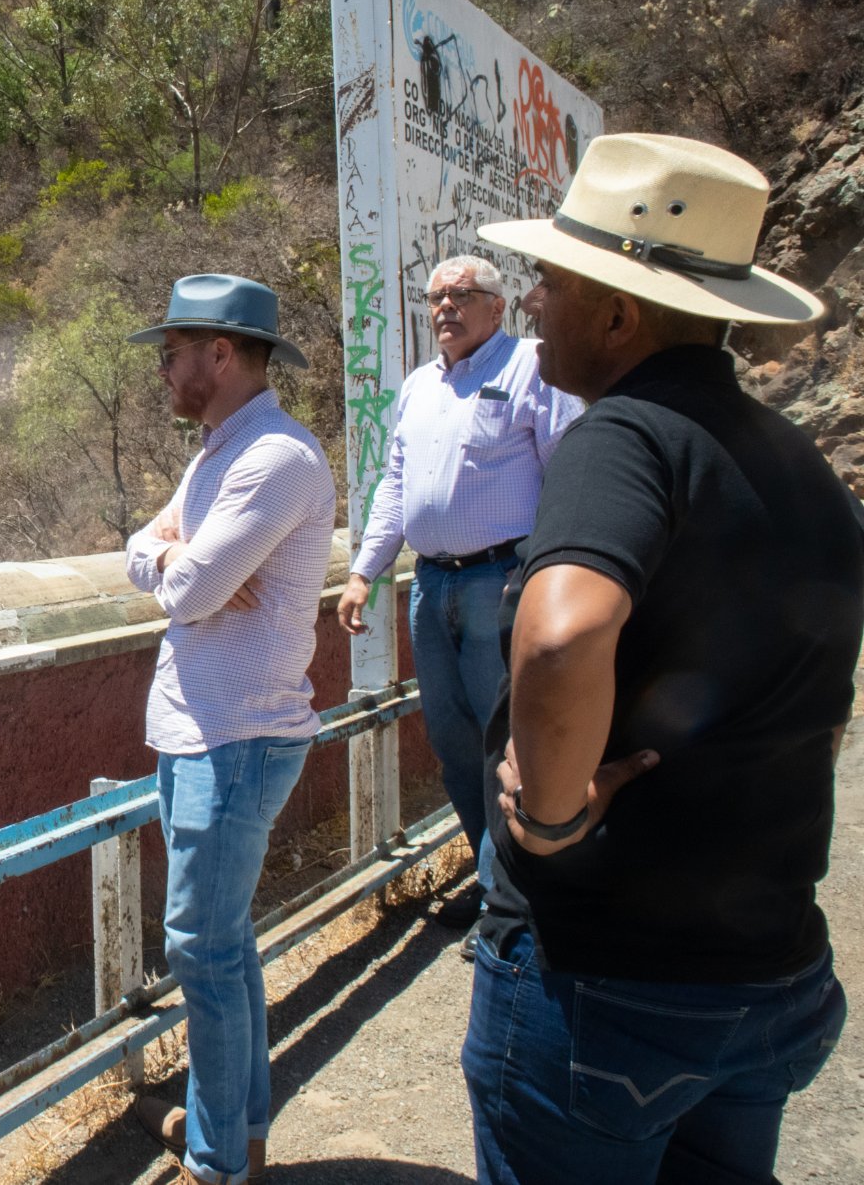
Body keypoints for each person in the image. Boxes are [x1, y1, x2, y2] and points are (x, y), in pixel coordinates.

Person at [463, 133, 857, 1185]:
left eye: (549, 281)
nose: (534, 303)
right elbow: (823, 712)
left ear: (617, 313)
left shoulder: (625, 437)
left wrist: (545, 817)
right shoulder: (798, 464)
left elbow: (560, 631)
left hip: (606, 984)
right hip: (766, 975)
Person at [121, 274, 336, 1185]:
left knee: (201, 948)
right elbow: (144, 553)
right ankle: (239, 1130)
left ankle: (218, 1161)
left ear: (220, 353)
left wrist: (184, 567)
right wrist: (178, 555)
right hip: (200, 731)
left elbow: (189, 589)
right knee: (226, 939)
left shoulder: (274, 459)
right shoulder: (219, 452)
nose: (162, 372)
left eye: (170, 355)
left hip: (236, 738)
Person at [336, 255, 579, 938]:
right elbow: (395, 486)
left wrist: (551, 572)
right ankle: (493, 880)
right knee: (452, 739)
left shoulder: (531, 365)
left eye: (462, 295)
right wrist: (364, 572)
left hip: (502, 580)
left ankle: (518, 903)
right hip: (432, 582)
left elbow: (568, 468)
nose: (444, 307)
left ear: (497, 307)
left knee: (508, 744)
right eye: (435, 296)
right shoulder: (419, 387)